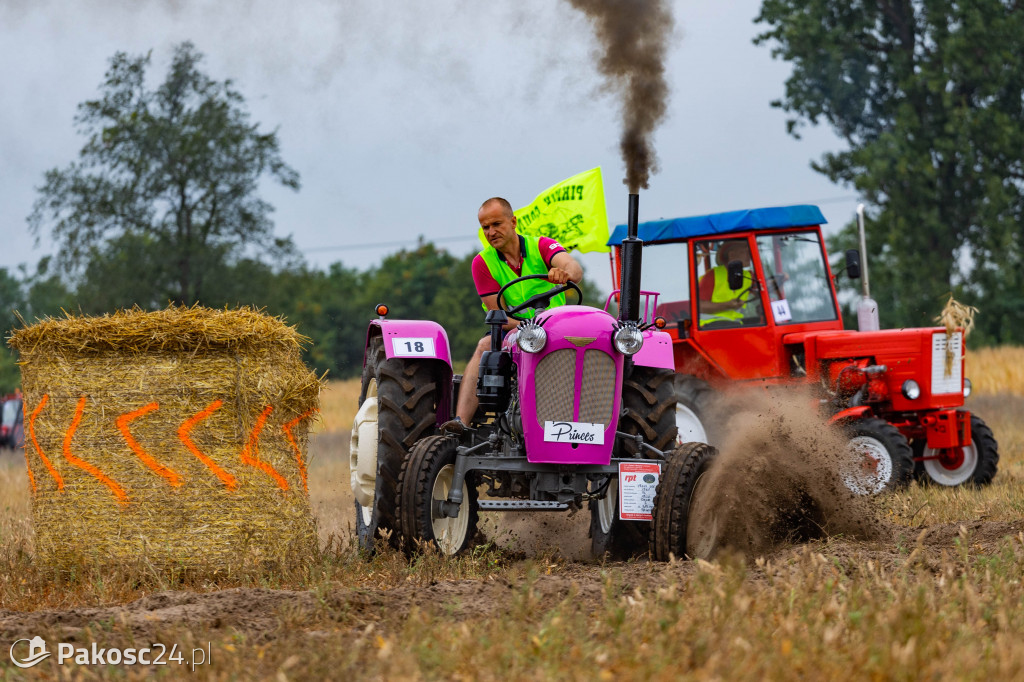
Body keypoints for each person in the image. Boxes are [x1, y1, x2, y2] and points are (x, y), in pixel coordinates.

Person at [441, 197, 583, 434]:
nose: (491, 232)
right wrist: (529, 328)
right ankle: (461, 422)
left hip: (557, 326)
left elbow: (575, 270)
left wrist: (564, 273)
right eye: (485, 227)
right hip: (515, 329)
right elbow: (499, 315)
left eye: (497, 224)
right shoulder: (482, 263)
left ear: (513, 221)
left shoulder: (541, 246)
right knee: (485, 344)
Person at [698, 239, 759, 326]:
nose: (749, 255)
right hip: (711, 325)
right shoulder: (712, 275)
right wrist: (727, 305)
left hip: (736, 323)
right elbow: (699, 306)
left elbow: (761, 291)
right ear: (732, 255)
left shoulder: (748, 276)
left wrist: (775, 282)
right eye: (745, 252)